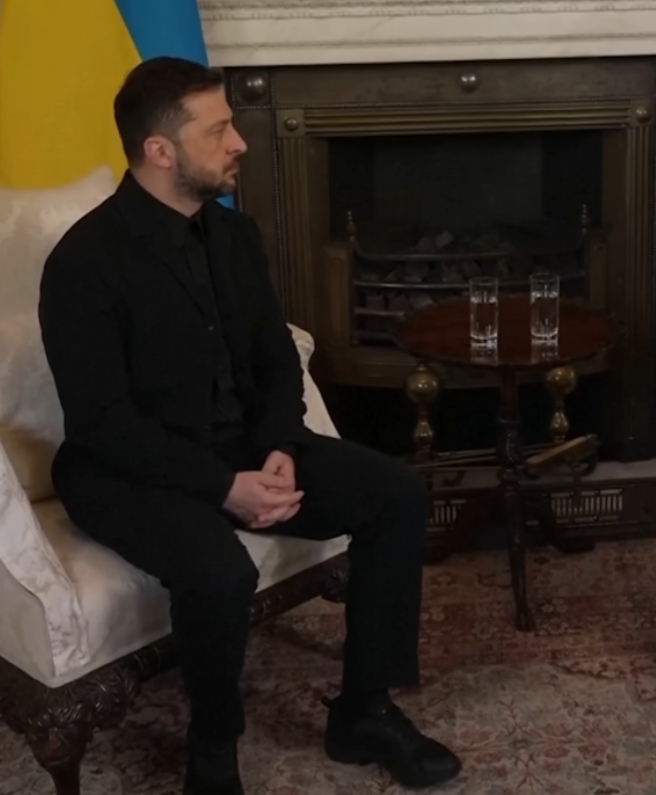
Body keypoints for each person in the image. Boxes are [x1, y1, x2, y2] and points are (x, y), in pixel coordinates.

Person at [38, 57, 462, 795]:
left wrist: (275, 448)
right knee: (217, 568)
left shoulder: (236, 238)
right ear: (160, 150)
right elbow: (103, 422)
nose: (239, 142)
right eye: (220, 128)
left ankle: (363, 710)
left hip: (243, 444)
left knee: (394, 493)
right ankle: (213, 752)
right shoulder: (83, 262)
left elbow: (277, 360)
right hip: (127, 469)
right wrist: (224, 487)